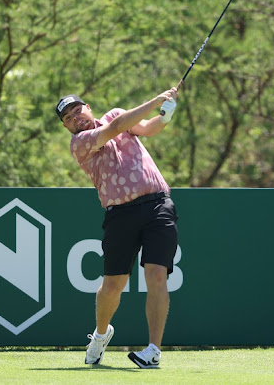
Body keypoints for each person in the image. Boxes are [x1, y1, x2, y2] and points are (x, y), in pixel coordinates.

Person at [56, 87, 179, 369]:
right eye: (69, 118)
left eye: (77, 111)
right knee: (113, 285)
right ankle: (100, 335)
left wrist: (166, 113)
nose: (76, 119)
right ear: (66, 127)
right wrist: (156, 99)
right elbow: (115, 128)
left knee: (157, 274)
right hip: (120, 213)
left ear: (87, 107)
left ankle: (153, 351)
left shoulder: (115, 114)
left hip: (158, 204)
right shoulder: (80, 143)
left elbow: (148, 128)